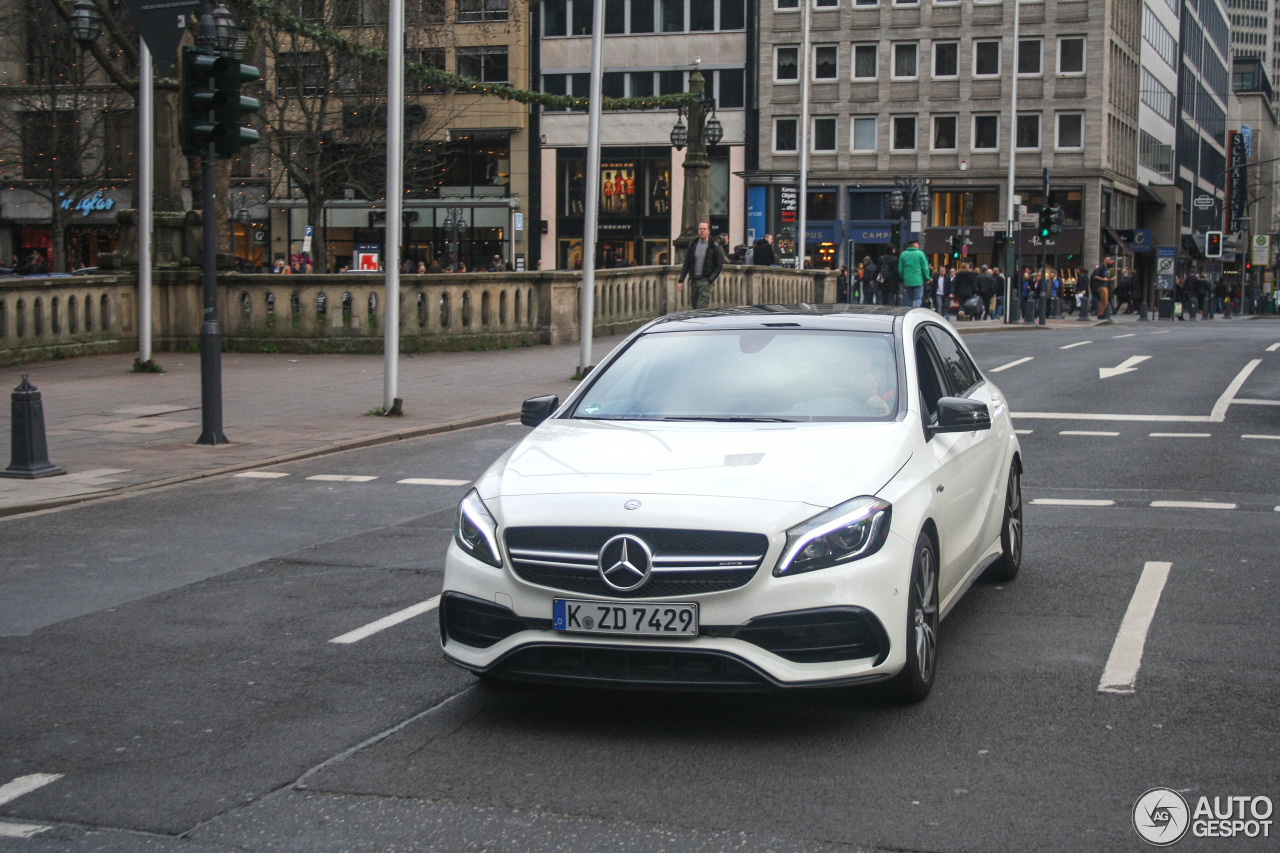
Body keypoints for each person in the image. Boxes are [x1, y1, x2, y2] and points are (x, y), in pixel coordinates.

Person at [677, 221, 724, 309]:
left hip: (705, 281)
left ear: (708, 231)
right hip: (694, 280)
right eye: (700, 229)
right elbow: (686, 264)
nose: (702, 231)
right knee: (694, 308)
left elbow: (719, 266)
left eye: (704, 229)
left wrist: (710, 280)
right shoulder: (693, 245)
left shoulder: (714, 246)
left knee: (701, 308)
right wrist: (681, 280)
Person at [897, 238, 930, 308]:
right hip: (918, 280)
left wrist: (902, 279)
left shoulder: (903, 254)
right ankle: (916, 312)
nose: (918, 246)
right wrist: (927, 278)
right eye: (918, 244)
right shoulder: (920, 254)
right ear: (915, 245)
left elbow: (900, 269)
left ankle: (909, 312)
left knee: (909, 299)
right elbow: (925, 268)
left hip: (908, 281)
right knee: (918, 298)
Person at [1090, 256, 1114, 321]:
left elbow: (1106, 277)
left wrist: (1109, 279)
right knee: (1104, 300)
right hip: (1101, 285)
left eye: (1109, 260)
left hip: (1105, 285)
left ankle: (1102, 314)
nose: (1108, 261)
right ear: (1104, 260)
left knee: (1104, 300)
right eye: (1106, 259)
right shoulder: (1101, 267)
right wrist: (1103, 279)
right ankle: (1101, 314)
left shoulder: (1106, 268)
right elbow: (1095, 276)